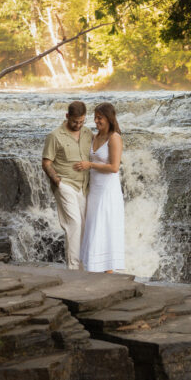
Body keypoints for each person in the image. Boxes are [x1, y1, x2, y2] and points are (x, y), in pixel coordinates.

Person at [41, 101, 94, 270]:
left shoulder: (87, 133)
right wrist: (57, 181)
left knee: (84, 226)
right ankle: (73, 270)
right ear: (67, 116)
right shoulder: (55, 136)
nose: (78, 125)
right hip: (66, 185)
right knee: (74, 224)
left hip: (84, 186)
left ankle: (83, 267)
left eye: (81, 121)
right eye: (74, 122)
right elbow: (46, 163)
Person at [74, 102, 125, 273]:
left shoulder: (114, 138)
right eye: (95, 118)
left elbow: (114, 167)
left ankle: (108, 273)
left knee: (104, 227)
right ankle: (94, 270)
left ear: (109, 119)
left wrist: (90, 165)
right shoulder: (95, 137)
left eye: (100, 118)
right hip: (94, 189)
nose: (96, 121)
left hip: (107, 191)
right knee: (94, 227)